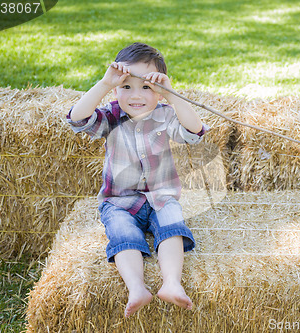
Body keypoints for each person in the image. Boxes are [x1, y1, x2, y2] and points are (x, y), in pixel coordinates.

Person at [66, 42, 207, 318]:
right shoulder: (111, 116)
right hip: (119, 202)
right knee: (123, 235)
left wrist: (173, 96)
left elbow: (195, 131)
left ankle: (172, 284)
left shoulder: (166, 116)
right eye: (126, 87)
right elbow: (77, 118)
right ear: (116, 90)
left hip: (161, 197)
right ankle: (136, 287)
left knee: (171, 227)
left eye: (145, 87)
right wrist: (104, 83)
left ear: (158, 92)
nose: (136, 95)